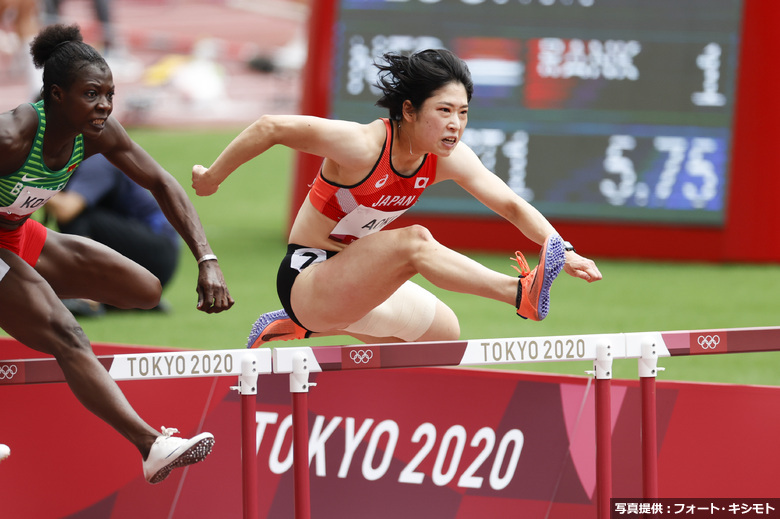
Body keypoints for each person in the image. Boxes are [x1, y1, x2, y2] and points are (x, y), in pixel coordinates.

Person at [192, 49, 601, 348]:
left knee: (443, 337)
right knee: (414, 242)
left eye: (463, 112)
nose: (455, 125)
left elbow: (511, 204)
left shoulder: (446, 158)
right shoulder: (362, 145)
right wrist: (213, 176)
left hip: (358, 281)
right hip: (309, 277)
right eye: (444, 110)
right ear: (408, 110)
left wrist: (562, 250)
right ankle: (519, 294)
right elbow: (270, 126)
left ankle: (303, 327)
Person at [0, 24, 234, 483]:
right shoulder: (12, 136)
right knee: (67, 334)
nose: (104, 105)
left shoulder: (96, 131)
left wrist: (207, 258)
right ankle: (152, 445)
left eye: (110, 93)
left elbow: (162, 182)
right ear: (56, 95)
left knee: (144, 289)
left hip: (15, 232)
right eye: (92, 94)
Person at [45, 153, 180, 315]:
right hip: (147, 263)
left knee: (78, 218)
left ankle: (85, 298)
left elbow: (65, 209)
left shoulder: (97, 160)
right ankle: (131, 300)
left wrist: (24, 187)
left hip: (157, 253)